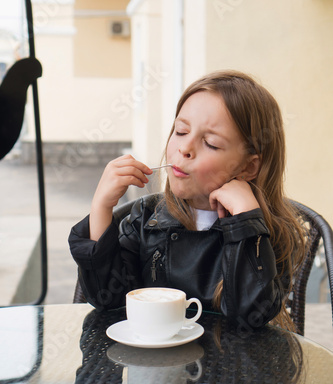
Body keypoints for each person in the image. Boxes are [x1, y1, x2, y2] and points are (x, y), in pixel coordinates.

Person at [69, 70, 306, 330]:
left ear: (248, 167)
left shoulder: (268, 234)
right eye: (181, 131)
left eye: (211, 143)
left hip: (229, 367)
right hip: (154, 366)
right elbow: (106, 300)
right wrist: (101, 207)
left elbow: (250, 318)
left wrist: (246, 221)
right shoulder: (145, 219)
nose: (185, 148)